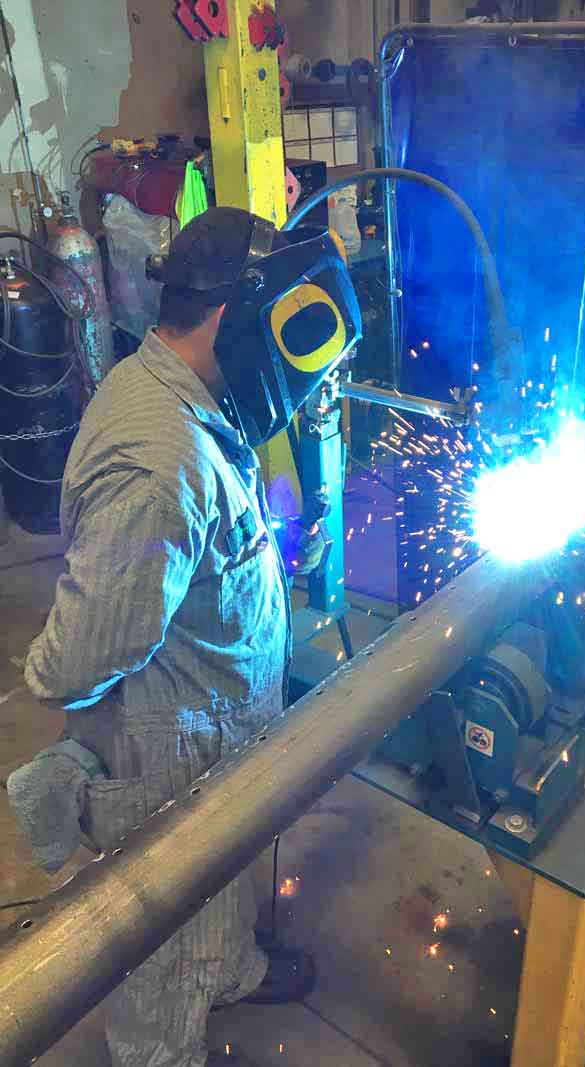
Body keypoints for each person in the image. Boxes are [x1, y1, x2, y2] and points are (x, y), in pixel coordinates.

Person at [22, 206, 359, 1067]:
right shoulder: (159, 463)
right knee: (164, 948)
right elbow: (74, 661)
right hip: (166, 758)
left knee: (221, 889)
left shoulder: (183, 392)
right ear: (227, 318)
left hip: (217, 737)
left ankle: (229, 966)